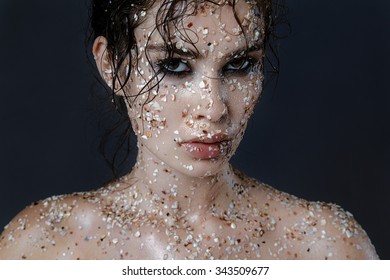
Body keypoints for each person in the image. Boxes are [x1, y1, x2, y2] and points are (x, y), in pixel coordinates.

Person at [0, 0, 378, 260]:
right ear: (113, 65)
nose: (213, 108)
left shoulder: (327, 247)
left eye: (240, 64)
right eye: (175, 66)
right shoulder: (41, 246)